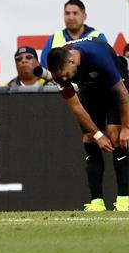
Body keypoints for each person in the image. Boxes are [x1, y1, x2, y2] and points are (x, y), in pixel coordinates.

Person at [46, 39, 129, 212]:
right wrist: (98, 135)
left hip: (116, 87)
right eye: (59, 77)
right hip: (90, 89)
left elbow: (122, 94)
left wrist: (127, 128)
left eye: (65, 75)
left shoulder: (97, 57)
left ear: (72, 61)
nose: (63, 79)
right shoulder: (60, 73)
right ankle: (96, 202)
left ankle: (124, 199)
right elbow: (76, 107)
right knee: (89, 138)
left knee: (116, 135)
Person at [40, 0, 107, 68]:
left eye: (75, 13)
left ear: (84, 16)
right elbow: (44, 67)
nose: (71, 18)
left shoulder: (97, 37)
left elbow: (106, 65)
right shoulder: (53, 38)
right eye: (67, 13)